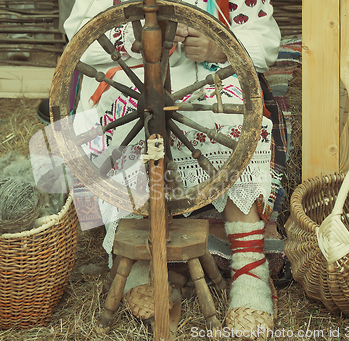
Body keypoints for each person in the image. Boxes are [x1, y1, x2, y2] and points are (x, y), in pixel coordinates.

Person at [62, 0, 286, 336]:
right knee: (124, 121)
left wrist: (218, 45)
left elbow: (265, 41)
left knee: (232, 117)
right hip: (134, 76)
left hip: (206, 78)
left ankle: (249, 270)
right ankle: (138, 259)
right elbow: (79, 41)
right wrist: (136, 35)